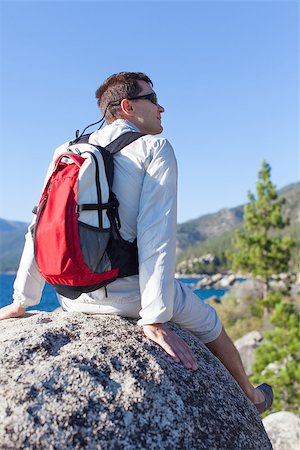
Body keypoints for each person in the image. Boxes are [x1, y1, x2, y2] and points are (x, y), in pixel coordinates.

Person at [0, 72, 273, 414]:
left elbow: (41, 225)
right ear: (127, 107)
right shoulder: (154, 147)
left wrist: (21, 301)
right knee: (210, 323)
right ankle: (252, 397)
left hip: (73, 297)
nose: (162, 107)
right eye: (153, 99)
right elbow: (157, 234)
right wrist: (154, 317)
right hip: (131, 298)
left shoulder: (66, 151)